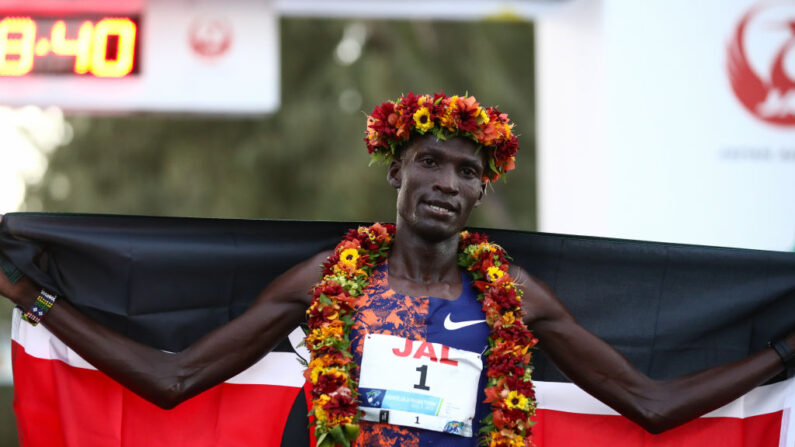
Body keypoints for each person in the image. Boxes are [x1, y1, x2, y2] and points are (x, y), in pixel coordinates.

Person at [0, 92, 793, 447]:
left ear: (483, 187)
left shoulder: (511, 294)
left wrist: (782, 358)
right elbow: (174, 378)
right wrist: (32, 298)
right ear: (396, 171)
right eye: (428, 161)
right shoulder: (327, 279)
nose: (445, 181)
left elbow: (649, 404)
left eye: (463, 170)